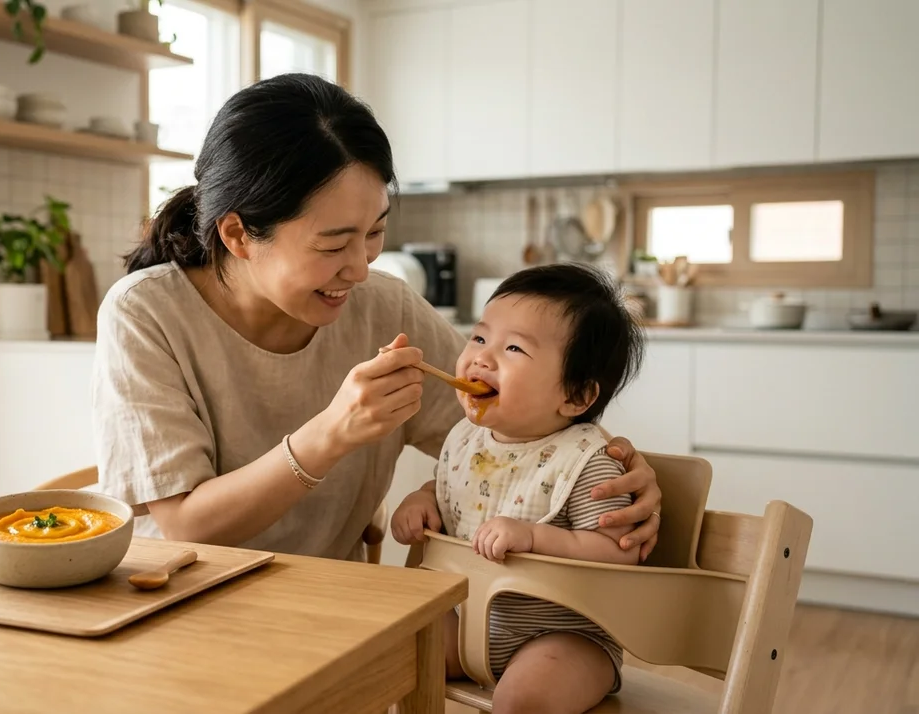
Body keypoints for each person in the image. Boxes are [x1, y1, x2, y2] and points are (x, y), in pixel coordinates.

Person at [91, 72, 662, 563]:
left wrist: (611, 477)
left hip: (333, 605)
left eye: (375, 233)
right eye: (334, 243)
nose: (360, 269)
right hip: (181, 600)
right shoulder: (144, 314)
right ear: (238, 233)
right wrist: (332, 434)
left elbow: (517, 430)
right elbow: (187, 526)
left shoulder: (386, 308)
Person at [391, 263, 646, 713]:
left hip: (565, 637)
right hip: (469, 622)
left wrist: (534, 537)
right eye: (479, 337)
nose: (481, 358)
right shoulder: (466, 441)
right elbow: (459, 489)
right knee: (390, 653)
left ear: (576, 397)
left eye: (512, 348)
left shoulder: (586, 463)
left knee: (523, 701)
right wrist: (424, 499)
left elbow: (619, 553)